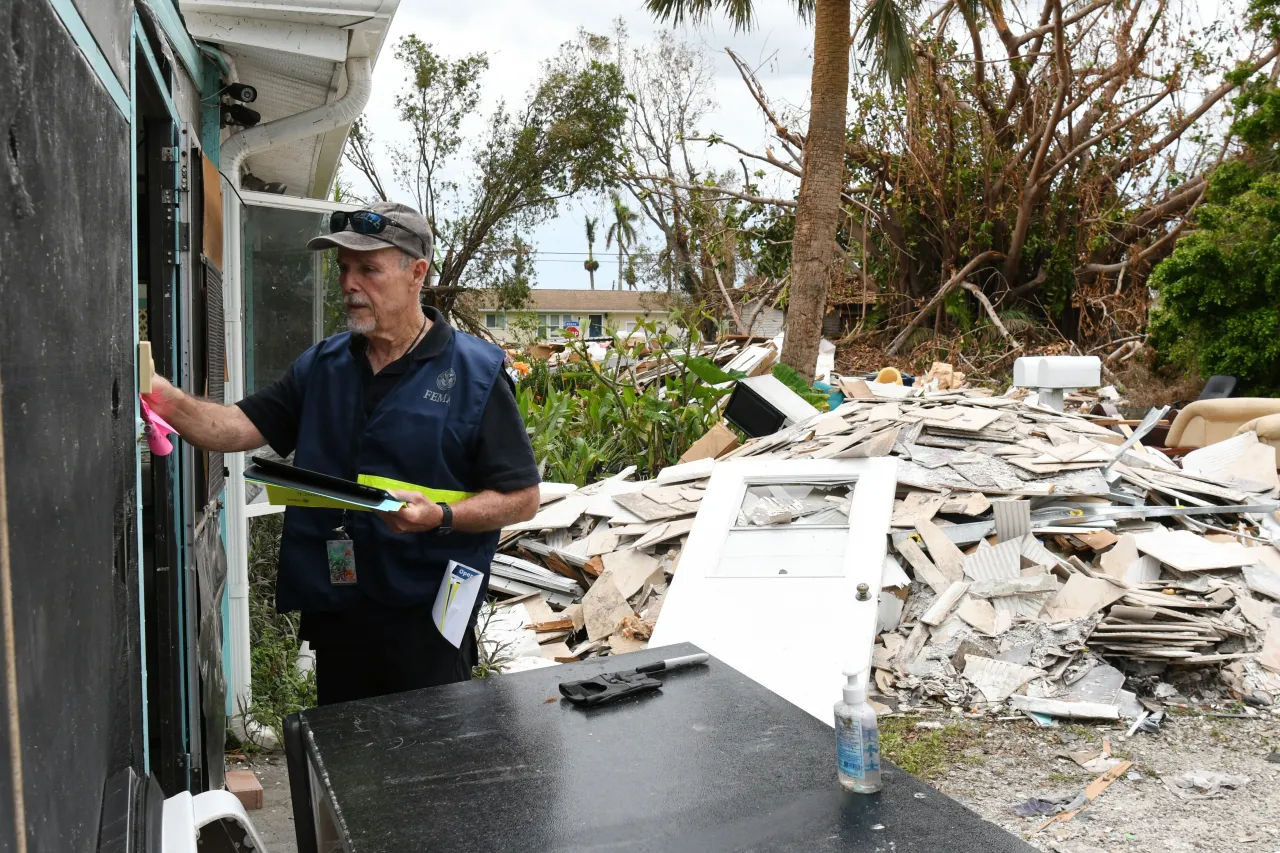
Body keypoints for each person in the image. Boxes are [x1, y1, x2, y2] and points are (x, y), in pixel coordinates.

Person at [143, 201, 541, 705]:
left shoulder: (474, 373)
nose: (350, 283)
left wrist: (439, 516)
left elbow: (522, 498)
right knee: (345, 766)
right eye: (344, 268)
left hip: (427, 619)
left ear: (416, 274)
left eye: (369, 269)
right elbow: (237, 427)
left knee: (427, 768)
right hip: (340, 610)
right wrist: (167, 400)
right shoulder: (323, 364)